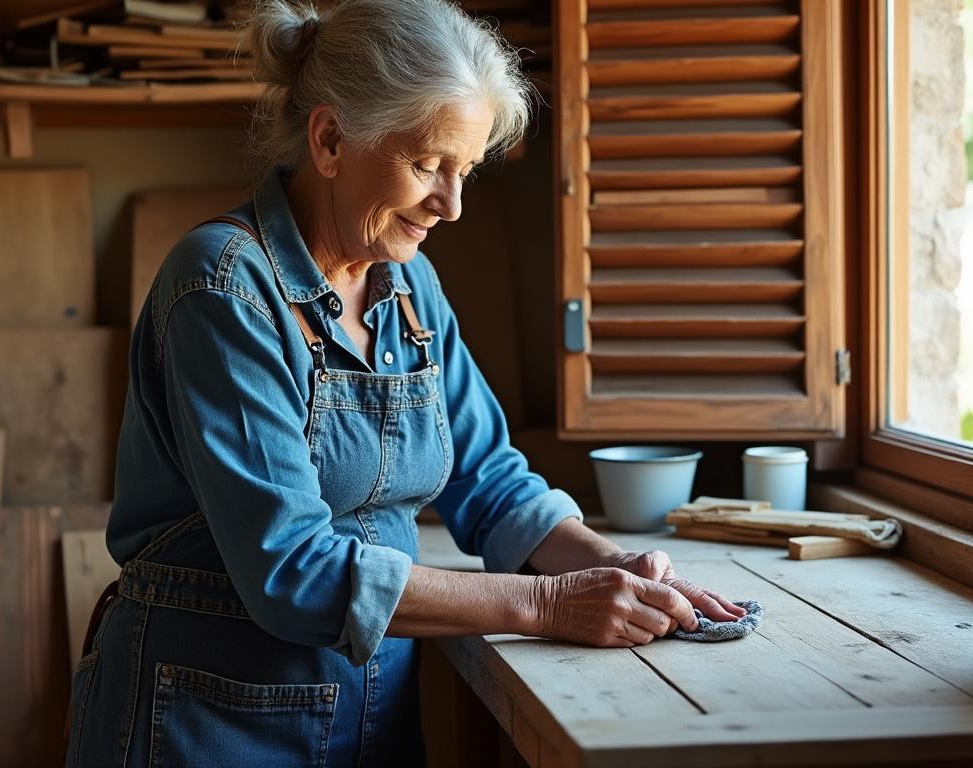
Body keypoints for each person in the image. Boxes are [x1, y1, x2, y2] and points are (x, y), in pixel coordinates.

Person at [65, 1, 746, 765]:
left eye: (466, 172)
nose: (452, 207)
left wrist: (607, 565)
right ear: (330, 140)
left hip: (370, 715)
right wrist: (549, 602)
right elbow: (291, 570)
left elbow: (490, 483)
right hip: (204, 720)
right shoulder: (225, 288)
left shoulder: (408, 287)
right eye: (428, 165)